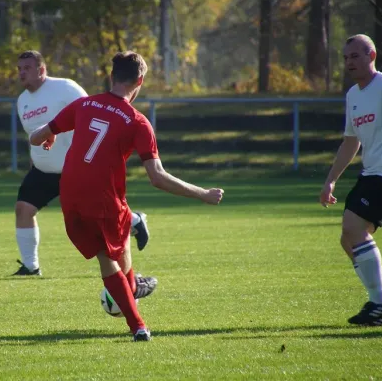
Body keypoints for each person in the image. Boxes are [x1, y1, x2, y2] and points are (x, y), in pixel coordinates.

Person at [30, 51, 224, 341]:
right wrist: (203, 194)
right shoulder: (138, 122)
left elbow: (35, 137)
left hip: (69, 193)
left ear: (111, 77)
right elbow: (157, 177)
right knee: (113, 255)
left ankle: (138, 317)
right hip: (105, 198)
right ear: (140, 81)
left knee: (107, 260)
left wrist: (50, 134)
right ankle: (134, 295)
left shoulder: (82, 105)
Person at [12, 50, 151, 276]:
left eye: (27, 68)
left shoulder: (65, 88)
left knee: (95, 220)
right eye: (19, 69)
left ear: (41, 70)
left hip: (74, 168)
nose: (21, 73)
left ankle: (134, 221)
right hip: (43, 170)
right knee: (23, 209)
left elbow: (94, 114)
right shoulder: (22, 101)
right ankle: (30, 266)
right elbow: (34, 138)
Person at [320, 34, 382, 326]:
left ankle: (381, 303)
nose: (350, 62)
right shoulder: (353, 95)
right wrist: (330, 180)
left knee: (352, 226)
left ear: (372, 56)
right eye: (346, 57)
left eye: (356, 56)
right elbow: (350, 143)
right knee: (348, 239)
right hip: (372, 173)